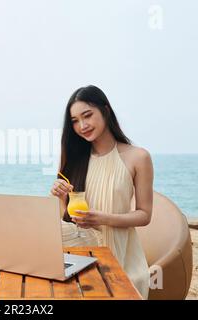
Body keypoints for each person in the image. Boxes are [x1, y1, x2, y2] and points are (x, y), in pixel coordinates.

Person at [50, 85, 153, 299]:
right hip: (79, 249)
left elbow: (144, 215)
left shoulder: (138, 157)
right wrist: (60, 197)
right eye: (75, 121)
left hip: (119, 253)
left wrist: (105, 218)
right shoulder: (74, 158)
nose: (82, 126)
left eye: (87, 116)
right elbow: (66, 218)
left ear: (105, 110)